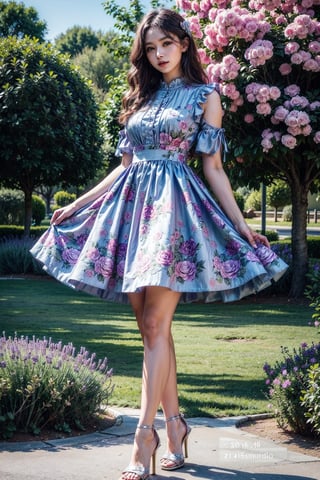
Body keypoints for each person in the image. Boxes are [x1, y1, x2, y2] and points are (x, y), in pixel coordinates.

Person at [31, 8, 287, 480]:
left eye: (166, 43)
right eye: (151, 47)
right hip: (131, 216)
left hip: (173, 217)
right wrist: (78, 203)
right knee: (152, 331)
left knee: (154, 322)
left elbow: (213, 169)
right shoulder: (139, 97)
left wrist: (243, 226)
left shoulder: (206, 97)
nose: (159, 54)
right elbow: (124, 166)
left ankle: (141, 438)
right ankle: (177, 424)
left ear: (184, 44)